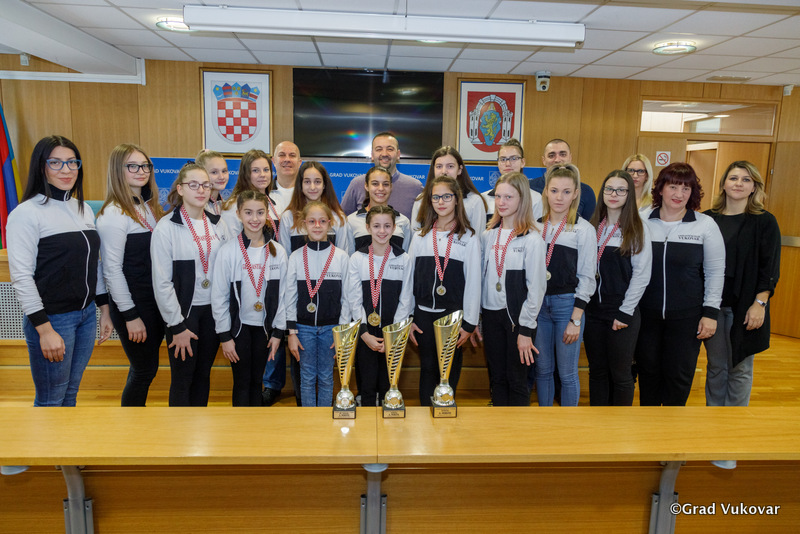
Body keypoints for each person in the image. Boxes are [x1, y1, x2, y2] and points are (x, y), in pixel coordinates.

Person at [7, 135, 113, 406]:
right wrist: (44, 330)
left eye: (72, 162)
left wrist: (104, 310)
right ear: (41, 167)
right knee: (51, 400)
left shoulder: (82, 209)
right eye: (56, 162)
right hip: (53, 319)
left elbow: (94, 264)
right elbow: (21, 277)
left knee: (70, 393)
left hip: (86, 316)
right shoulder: (25, 214)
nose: (66, 170)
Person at [635, 162, 724, 407]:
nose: (679, 194)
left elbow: (715, 272)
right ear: (661, 188)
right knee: (648, 374)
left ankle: (674, 426)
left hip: (687, 317)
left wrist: (710, 314)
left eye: (686, 188)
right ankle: (649, 425)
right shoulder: (642, 220)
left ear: (692, 193)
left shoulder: (705, 225)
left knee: (678, 377)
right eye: (673, 186)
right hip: (646, 315)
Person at [703, 161, 780, 411]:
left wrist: (760, 304)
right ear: (724, 184)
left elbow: (769, 269)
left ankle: (734, 421)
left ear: (754, 187)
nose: (739, 184)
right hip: (713, 307)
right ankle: (714, 417)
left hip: (747, 306)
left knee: (740, 367)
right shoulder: (707, 219)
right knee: (716, 366)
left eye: (746, 180)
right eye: (734, 178)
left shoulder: (765, 221)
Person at [151, 163, 227, 406]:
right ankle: (179, 428)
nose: (201, 190)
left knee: (203, 375)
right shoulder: (166, 228)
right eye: (193, 185)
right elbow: (162, 283)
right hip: (184, 315)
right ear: (180, 189)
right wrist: (176, 326)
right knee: (183, 378)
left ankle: (199, 427)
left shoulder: (218, 224)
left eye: (205, 185)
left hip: (212, 312)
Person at [95, 143, 165, 406]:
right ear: (117, 170)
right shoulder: (113, 214)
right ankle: (130, 424)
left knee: (145, 369)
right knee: (144, 370)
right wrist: (131, 316)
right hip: (134, 305)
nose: (141, 171)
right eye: (132, 166)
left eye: (145, 165)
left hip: (153, 300)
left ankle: (135, 421)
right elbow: (111, 270)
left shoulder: (146, 207)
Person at [408, 176, 481, 406]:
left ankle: (445, 413)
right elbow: (409, 280)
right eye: (436, 197)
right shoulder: (420, 236)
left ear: (457, 199)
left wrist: (469, 323)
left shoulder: (468, 237)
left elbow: (473, 283)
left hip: (452, 316)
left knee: (448, 370)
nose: (441, 202)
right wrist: (409, 317)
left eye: (447, 196)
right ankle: (425, 416)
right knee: (428, 367)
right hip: (423, 315)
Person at [212, 190, 287, 406]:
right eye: (248, 212)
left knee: (257, 381)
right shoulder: (228, 251)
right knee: (242, 382)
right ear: (238, 214)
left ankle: (255, 425)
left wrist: (278, 332)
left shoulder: (278, 252)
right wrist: (225, 336)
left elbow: (283, 296)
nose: (254, 218)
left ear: (267, 214)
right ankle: (240, 425)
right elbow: (219, 297)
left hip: (265, 330)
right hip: (238, 329)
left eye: (260, 212)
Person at [584, 170, 651, 406]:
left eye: (621, 190)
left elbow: (641, 275)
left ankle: (619, 423)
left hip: (622, 312)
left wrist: (625, 312)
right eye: (609, 189)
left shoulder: (637, 228)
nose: (614, 194)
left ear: (629, 194)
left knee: (621, 374)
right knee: (597, 371)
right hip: (593, 312)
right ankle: (598, 420)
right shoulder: (592, 227)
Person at [480, 172, 546, 406]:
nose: (501, 202)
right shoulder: (488, 235)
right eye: (498, 196)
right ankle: (499, 426)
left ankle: (517, 428)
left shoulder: (532, 239)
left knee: (517, 380)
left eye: (509, 197)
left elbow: (536, 289)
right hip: (491, 317)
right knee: (497, 379)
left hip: (518, 320)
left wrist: (526, 330)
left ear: (522, 199)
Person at [533, 164, 596, 407]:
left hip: (567, 307)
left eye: (566, 192)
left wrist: (575, 320)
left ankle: (568, 425)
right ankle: (545, 421)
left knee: (567, 373)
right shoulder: (535, 226)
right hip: (539, 307)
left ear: (576, 194)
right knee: (543, 370)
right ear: (546, 192)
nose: (559, 197)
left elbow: (587, 277)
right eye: (554, 190)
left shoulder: (583, 229)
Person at [346, 205, 414, 406]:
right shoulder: (357, 258)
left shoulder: (404, 259)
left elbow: (406, 299)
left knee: (389, 386)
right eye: (376, 226)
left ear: (394, 228)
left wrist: (393, 335)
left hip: (393, 334)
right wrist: (364, 333)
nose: (382, 231)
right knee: (366, 387)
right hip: (365, 333)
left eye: (387, 226)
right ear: (368, 227)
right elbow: (354, 300)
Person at [285, 201, 351, 407]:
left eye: (322, 221)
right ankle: (308, 420)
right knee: (306, 377)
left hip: (332, 328)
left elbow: (347, 297)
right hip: (303, 328)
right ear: (304, 224)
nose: (317, 226)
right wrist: (291, 332)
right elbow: (289, 296)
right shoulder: (296, 257)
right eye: (312, 221)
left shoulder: (341, 257)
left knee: (325, 376)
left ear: (330, 223)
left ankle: (323, 418)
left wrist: (341, 332)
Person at [340, 131, 423, 218]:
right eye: (379, 149)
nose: (384, 154)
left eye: (390, 149)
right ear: (372, 155)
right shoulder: (357, 184)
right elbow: (343, 220)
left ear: (398, 154)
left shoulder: (415, 187)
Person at [411, 146, 488, 236]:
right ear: (433, 169)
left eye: (450, 166)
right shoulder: (421, 200)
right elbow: (415, 235)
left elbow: (477, 239)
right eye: (439, 166)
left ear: (459, 170)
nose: (444, 171)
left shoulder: (474, 201)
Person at [279, 161, 353, 254]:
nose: (312, 187)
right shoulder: (288, 217)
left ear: (324, 185)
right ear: (300, 185)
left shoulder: (338, 218)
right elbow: (285, 256)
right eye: (307, 182)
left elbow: (343, 256)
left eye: (317, 182)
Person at [347, 166, 412, 252]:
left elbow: (405, 255)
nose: (381, 188)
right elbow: (349, 256)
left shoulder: (403, 221)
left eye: (385, 184)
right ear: (366, 186)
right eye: (375, 184)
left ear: (391, 187)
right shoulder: (351, 221)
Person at [222, 149, 281, 242]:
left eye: (266, 170)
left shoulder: (273, 203)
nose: (262, 175)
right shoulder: (234, 205)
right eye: (255, 170)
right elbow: (231, 243)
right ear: (246, 174)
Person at [528, 139, 595, 221]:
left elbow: (589, 223)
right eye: (551, 155)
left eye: (563, 154)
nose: (557, 160)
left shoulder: (586, 191)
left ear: (570, 157)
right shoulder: (529, 187)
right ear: (543, 160)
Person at [482, 139, 543, 224]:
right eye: (503, 159)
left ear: (523, 162)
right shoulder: (484, 198)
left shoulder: (535, 198)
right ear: (498, 163)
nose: (508, 164)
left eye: (513, 158)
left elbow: (537, 228)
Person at [270, 140, 301, 214]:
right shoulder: (264, 192)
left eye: (292, 155)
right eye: (282, 155)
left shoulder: (309, 193)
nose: (287, 159)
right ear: (274, 161)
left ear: (299, 162)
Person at [196, 149, 230, 217]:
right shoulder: (196, 206)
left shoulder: (226, 205)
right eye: (214, 172)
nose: (221, 177)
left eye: (224, 171)